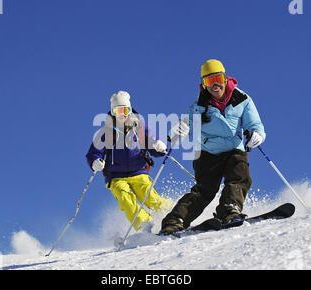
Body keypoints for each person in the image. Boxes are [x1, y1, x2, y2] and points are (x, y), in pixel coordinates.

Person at [159, 59, 266, 235]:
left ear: (225, 78)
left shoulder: (242, 99)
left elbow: (254, 123)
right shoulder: (198, 108)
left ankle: (230, 209)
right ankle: (175, 220)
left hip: (234, 148)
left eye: (218, 78)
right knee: (205, 190)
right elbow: (179, 133)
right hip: (207, 153)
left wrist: (256, 134)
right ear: (203, 85)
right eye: (209, 81)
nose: (215, 85)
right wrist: (177, 132)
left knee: (239, 176)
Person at [86, 91, 173, 231]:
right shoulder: (106, 132)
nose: (122, 114)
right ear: (113, 113)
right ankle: (144, 224)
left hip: (138, 172)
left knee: (149, 196)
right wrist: (95, 161)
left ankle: (173, 215)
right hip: (116, 177)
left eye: (125, 110)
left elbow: (153, 145)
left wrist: (159, 146)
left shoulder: (140, 128)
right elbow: (94, 152)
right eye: (118, 111)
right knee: (126, 199)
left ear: (130, 110)